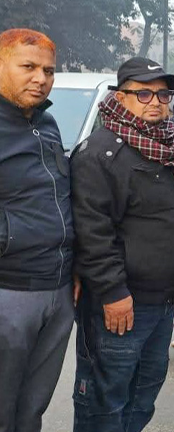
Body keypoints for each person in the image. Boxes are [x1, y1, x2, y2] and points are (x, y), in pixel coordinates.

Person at [71, 58, 174, 432]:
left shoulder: (167, 143)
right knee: (105, 398)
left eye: (163, 93)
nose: (155, 101)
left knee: (144, 393)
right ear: (120, 96)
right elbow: (93, 232)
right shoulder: (101, 152)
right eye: (143, 92)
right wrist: (112, 291)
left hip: (162, 300)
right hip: (122, 304)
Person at [0, 28, 76, 432]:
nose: (40, 78)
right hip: (9, 290)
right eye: (27, 66)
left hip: (58, 288)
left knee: (33, 406)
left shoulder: (46, 123)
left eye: (48, 70)